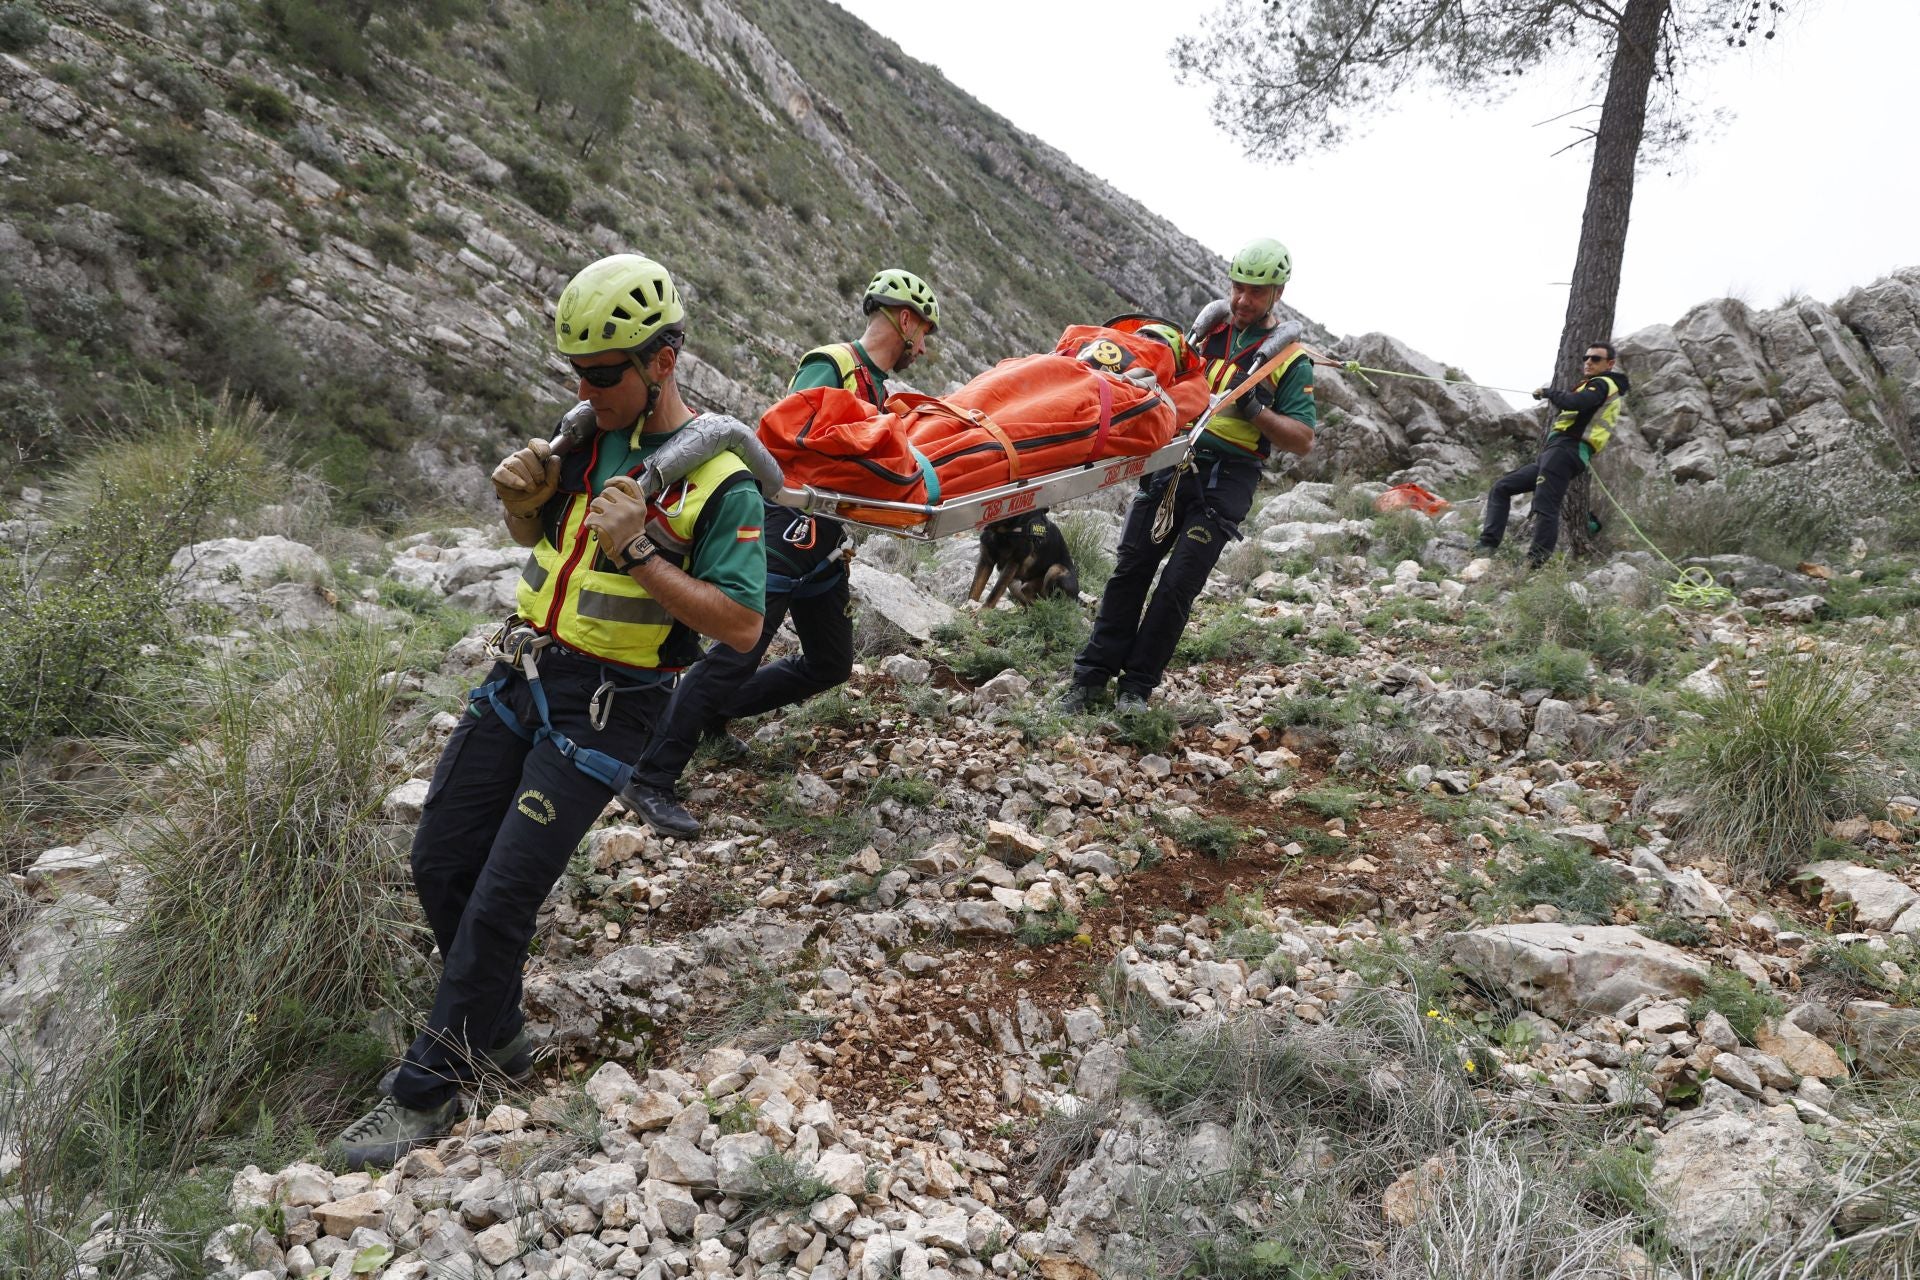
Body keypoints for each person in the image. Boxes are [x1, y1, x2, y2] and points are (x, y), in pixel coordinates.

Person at [335, 254, 767, 1169]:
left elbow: (739, 624)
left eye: (603, 373)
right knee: (441, 859)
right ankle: (492, 1031)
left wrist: (644, 551)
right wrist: (520, 509)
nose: (585, 388)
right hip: (523, 670)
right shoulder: (586, 441)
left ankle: (427, 1092)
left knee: (500, 902)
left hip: (606, 708)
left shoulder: (718, 480)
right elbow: (549, 550)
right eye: (575, 371)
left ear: (663, 360)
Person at [619, 269, 940, 838]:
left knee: (830, 662)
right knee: (735, 652)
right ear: (906, 321)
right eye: (925, 332)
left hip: (823, 542)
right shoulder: (834, 365)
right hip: (784, 527)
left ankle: (714, 712)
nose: (925, 346)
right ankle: (650, 776)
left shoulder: (877, 386)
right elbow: (789, 440)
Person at [1061, 238, 1316, 711]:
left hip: (1229, 477)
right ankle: (1090, 680)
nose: (1242, 300)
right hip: (1171, 461)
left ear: (1277, 293)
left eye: (1256, 292)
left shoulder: (1289, 360)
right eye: (1238, 287)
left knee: (1177, 584)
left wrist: (1255, 409)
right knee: (1130, 570)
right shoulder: (1203, 336)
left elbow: (1302, 438)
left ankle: (1136, 688)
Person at [1476, 341, 1628, 566]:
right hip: (1558, 452)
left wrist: (1549, 392)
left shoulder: (1603, 384)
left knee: (1546, 505)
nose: (1588, 362)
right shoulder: (1598, 385)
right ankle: (1487, 545)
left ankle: (1535, 563)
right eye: (1586, 358)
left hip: (1567, 450)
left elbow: (1576, 402)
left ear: (1610, 363)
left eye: (1595, 359)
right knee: (1502, 487)